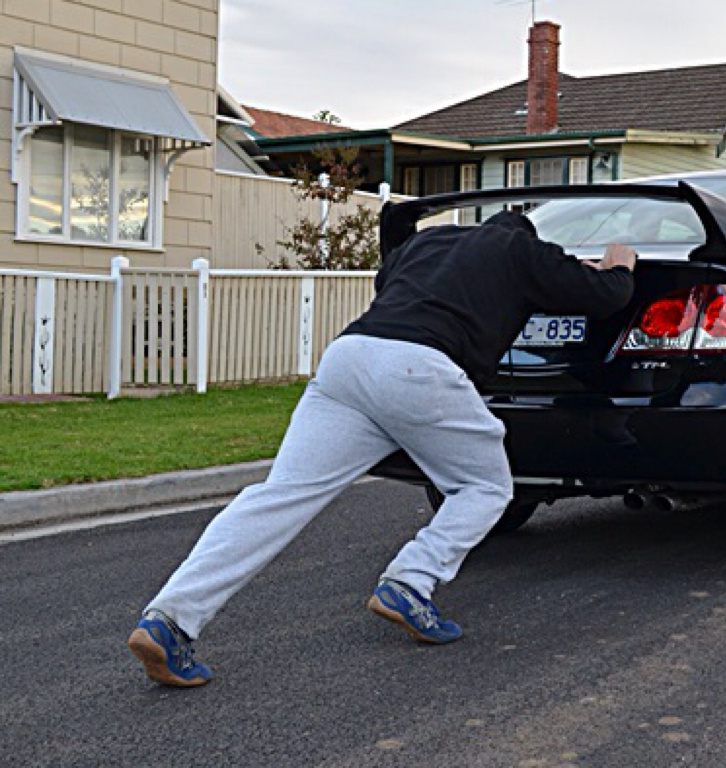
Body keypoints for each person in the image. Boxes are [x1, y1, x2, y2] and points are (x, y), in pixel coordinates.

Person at [127, 210, 637, 687]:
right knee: (486, 485)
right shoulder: (521, 250)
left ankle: (169, 620)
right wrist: (620, 264)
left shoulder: (428, 241)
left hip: (348, 359)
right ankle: (412, 581)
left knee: (279, 494)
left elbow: (388, 280)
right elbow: (604, 295)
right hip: (422, 367)